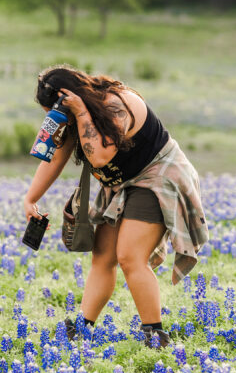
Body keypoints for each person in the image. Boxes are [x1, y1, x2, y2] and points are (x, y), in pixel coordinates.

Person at [22, 65, 208, 348]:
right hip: (120, 184)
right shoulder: (73, 117)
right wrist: (30, 198)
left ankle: (155, 336)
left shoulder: (115, 104)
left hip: (157, 177)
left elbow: (100, 156)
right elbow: (57, 158)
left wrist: (81, 112)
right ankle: (84, 327)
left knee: (130, 256)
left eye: (56, 110)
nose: (55, 118)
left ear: (67, 97)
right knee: (103, 256)